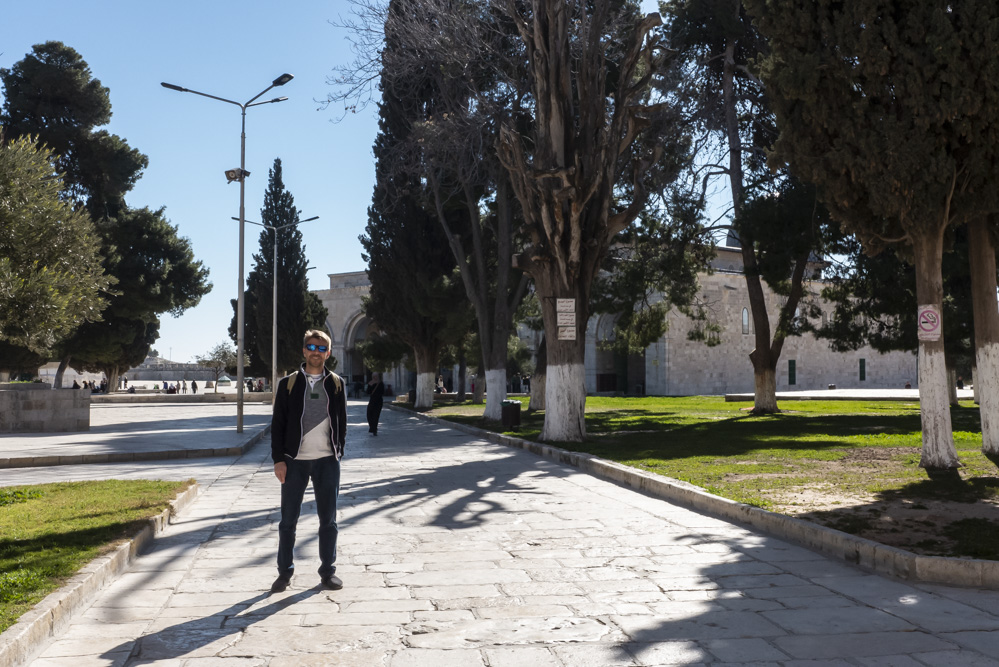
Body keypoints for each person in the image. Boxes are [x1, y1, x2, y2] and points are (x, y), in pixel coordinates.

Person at [270, 329, 347, 593]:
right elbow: (278, 424)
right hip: (295, 461)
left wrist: (338, 451)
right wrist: (279, 459)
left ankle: (328, 572)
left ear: (328, 353)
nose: (316, 352)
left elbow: (342, 421)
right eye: (311, 347)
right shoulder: (288, 384)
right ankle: (284, 573)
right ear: (304, 350)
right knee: (288, 521)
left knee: (329, 520)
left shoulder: (336, 383)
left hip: (327, 461)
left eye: (321, 348)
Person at [366, 372, 385, 436]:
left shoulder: (380, 383)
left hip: (378, 401)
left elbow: (382, 392)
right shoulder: (370, 383)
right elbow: (368, 392)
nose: (374, 378)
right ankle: (372, 427)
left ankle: (374, 429)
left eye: (376, 376)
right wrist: (370, 385)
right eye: (373, 376)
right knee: (369, 414)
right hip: (372, 401)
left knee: (376, 416)